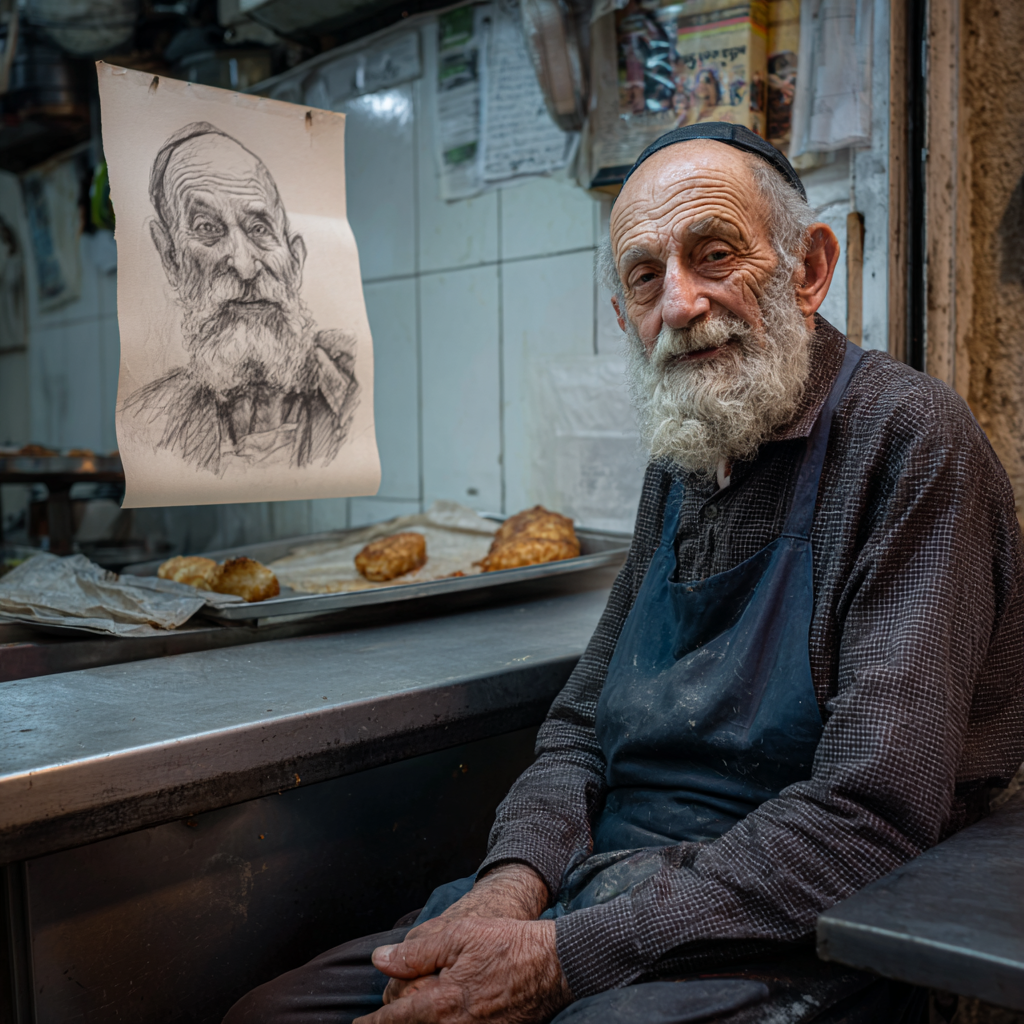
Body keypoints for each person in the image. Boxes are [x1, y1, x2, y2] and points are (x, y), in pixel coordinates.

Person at [223, 123, 1024, 1024]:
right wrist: (509, 887)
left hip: (784, 925)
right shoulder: (684, 458)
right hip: (597, 886)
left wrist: (563, 960)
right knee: (273, 1014)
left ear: (808, 269)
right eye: (646, 277)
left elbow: (870, 813)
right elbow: (578, 731)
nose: (679, 304)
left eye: (714, 255)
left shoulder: (908, 441)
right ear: (623, 317)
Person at [121, 122, 359, 476]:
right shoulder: (147, 425)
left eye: (260, 229)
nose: (246, 267)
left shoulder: (355, 392)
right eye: (207, 228)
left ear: (295, 260)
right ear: (171, 258)